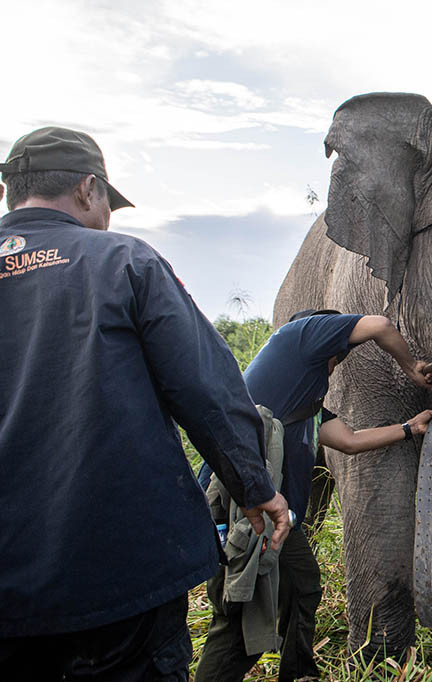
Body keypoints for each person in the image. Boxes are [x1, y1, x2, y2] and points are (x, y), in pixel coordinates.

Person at [0, 126, 291, 681]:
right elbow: (207, 388)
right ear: (89, 189)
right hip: (121, 574)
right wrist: (255, 486)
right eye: (108, 200)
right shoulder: (125, 262)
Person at [195, 310, 432, 682]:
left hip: (276, 519)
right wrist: (412, 367)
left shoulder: (305, 403)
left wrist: (410, 428)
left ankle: (299, 672)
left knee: (302, 588)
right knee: (239, 615)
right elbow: (379, 325)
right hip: (245, 511)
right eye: (340, 345)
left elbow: (350, 442)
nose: (342, 356)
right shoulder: (300, 334)